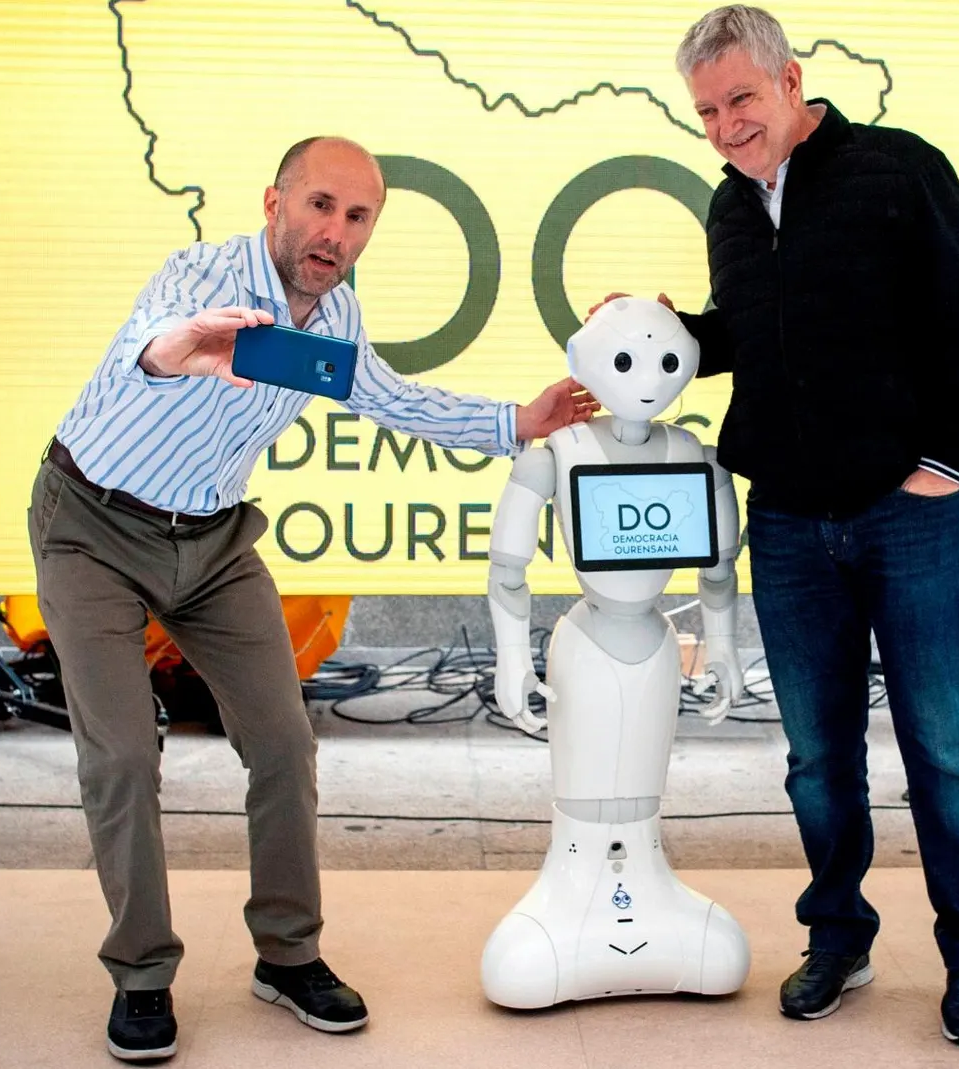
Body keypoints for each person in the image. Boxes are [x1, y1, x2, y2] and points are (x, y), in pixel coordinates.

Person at [30, 135, 596, 1062]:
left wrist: (516, 424)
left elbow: (389, 399)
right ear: (275, 203)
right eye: (321, 205)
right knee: (125, 753)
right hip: (91, 524)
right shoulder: (200, 275)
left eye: (357, 216)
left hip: (210, 541)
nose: (335, 230)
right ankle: (141, 974)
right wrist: (193, 348)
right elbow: (154, 346)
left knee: (287, 742)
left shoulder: (334, 321)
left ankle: (287, 955)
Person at [595, 4, 959, 1046]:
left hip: (905, 515)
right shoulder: (728, 206)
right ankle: (838, 939)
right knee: (816, 758)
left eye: (741, 98)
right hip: (785, 518)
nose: (727, 124)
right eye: (706, 111)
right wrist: (660, 331)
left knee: (946, 750)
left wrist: (945, 462)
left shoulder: (898, 170)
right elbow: (753, 330)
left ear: (790, 82)